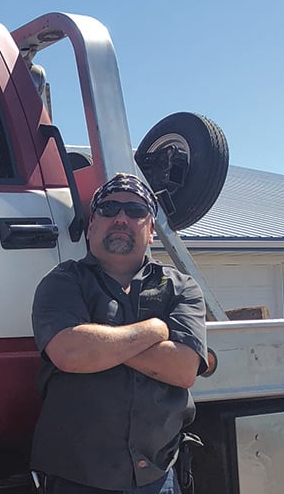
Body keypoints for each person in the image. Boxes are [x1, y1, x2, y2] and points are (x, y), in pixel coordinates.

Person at [30, 173, 208, 493]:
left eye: (136, 211)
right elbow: (70, 353)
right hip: (77, 477)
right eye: (109, 208)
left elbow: (182, 368)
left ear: (151, 230)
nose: (121, 218)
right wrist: (155, 329)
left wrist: (98, 343)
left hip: (157, 477)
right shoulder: (62, 281)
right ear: (91, 226)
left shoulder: (181, 288)